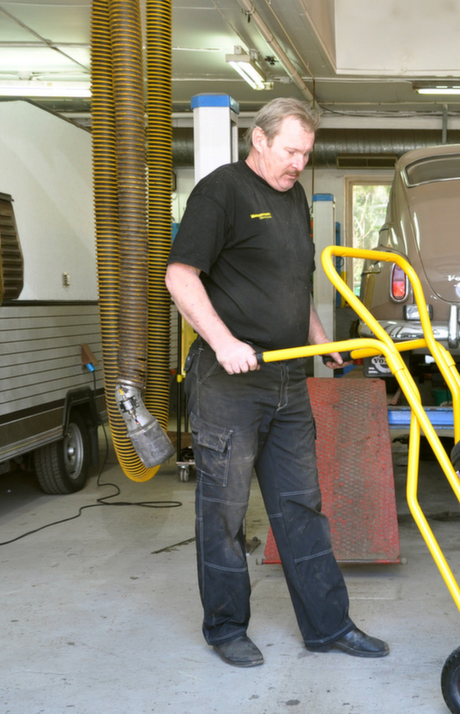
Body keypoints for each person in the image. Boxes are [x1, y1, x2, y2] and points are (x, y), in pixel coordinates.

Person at [165, 97, 388, 667]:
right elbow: (180, 276)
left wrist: (320, 341)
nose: (298, 163)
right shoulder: (222, 192)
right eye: (291, 150)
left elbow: (295, 285)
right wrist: (223, 343)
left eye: (306, 154)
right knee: (225, 510)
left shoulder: (293, 202)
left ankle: (328, 626)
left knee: (301, 505)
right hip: (230, 382)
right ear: (259, 141)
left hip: (288, 378)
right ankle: (225, 628)